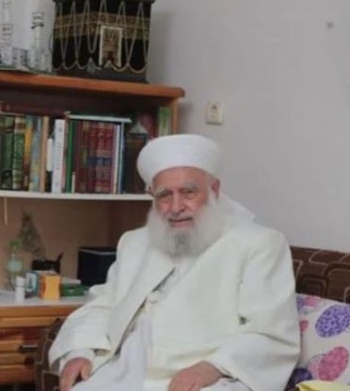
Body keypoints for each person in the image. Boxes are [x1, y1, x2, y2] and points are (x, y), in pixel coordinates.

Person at [49, 134, 300, 391]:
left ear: (214, 190)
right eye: (165, 195)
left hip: (210, 375)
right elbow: (103, 305)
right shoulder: (134, 242)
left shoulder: (259, 243)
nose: (176, 207)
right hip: (124, 370)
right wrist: (80, 351)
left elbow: (271, 333)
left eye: (188, 192)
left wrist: (213, 367)